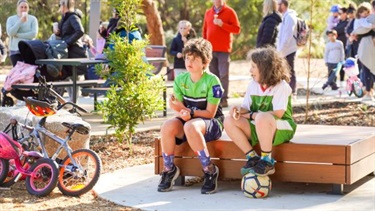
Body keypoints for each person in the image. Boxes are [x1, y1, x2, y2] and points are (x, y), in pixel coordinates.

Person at [157, 38, 224, 194]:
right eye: (187, 57)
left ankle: (209, 170)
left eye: (195, 59)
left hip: (211, 123)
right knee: (167, 126)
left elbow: (210, 113)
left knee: (190, 126)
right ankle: (169, 169)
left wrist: (189, 113)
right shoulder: (180, 79)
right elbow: (179, 107)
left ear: (205, 62)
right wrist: (178, 109)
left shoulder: (213, 81)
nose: (189, 62)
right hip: (189, 121)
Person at [223, 47, 296, 176]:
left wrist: (252, 115)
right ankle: (253, 157)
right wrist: (238, 110)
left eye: (253, 67)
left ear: (265, 68)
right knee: (229, 120)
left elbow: (278, 114)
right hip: (260, 125)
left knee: (262, 117)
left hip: (282, 127)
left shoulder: (282, 86)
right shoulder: (253, 85)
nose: (250, 70)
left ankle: (267, 161)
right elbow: (246, 108)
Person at [202, 0, 241, 108]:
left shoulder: (229, 12)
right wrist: (204, 46)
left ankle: (224, 99)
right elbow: (205, 31)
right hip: (210, 49)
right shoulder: (208, 12)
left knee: (224, 74)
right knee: (214, 75)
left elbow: (237, 29)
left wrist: (222, 24)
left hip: (224, 49)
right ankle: (216, 98)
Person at [54, 0, 87, 101]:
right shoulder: (65, 18)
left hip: (75, 52)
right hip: (67, 52)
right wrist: (57, 33)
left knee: (73, 78)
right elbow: (66, 33)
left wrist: (67, 42)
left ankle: (74, 104)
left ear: (64, 5)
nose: (60, 6)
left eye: (61, 4)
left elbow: (80, 31)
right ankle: (72, 102)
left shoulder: (73, 17)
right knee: (66, 76)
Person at [351, 1, 375, 101]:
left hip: (369, 44)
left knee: (367, 68)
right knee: (368, 68)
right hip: (366, 43)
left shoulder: (371, 18)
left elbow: (360, 30)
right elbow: (358, 30)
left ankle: (369, 91)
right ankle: (369, 90)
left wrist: (355, 33)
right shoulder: (363, 19)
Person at [6, 0, 38, 67]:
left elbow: (33, 34)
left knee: (29, 73)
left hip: (29, 50)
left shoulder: (33, 19)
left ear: (28, 9)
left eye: (25, 7)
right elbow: (10, 33)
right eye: (21, 7)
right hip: (15, 51)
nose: (23, 9)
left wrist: (17, 35)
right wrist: (20, 21)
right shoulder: (11, 19)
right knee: (18, 74)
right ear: (17, 8)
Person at [277, 0, 298, 98]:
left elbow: (287, 36)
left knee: (290, 71)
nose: (277, 6)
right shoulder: (285, 17)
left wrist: (281, 51)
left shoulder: (290, 17)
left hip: (288, 50)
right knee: (284, 72)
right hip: (283, 50)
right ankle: (286, 92)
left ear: (284, 5)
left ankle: (292, 92)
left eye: (279, 4)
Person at [333, 7, 349, 87]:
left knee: (343, 63)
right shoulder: (339, 22)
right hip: (337, 46)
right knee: (336, 63)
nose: (339, 15)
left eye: (341, 13)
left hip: (344, 45)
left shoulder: (347, 22)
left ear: (345, 13)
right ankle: (335, 81)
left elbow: (337, 30)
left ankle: (342, 80)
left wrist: (335, 30)